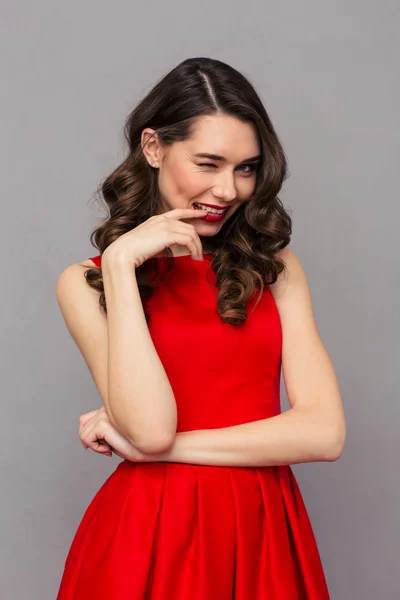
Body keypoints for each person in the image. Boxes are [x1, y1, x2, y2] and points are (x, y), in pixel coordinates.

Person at [55, 56, 346, 599]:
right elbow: (150, 428)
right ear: (153, 147)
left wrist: (158, 451)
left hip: (263, 529)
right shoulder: (85, 282)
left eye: (246, 167)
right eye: (208, 163)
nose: (229, 190)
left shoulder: (276, 270)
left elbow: (324, 433)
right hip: (147, 532)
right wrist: (120, 266)